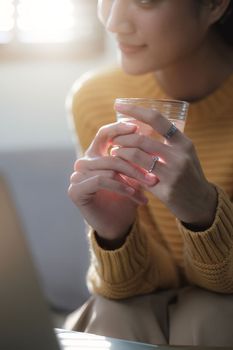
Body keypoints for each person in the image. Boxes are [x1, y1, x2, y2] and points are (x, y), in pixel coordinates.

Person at [65, 0, 233, 346]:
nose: (113, 22)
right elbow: (136, 289)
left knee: (210, 313)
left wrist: (203, 211)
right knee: (116, 312)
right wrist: (115, 235)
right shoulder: (95, 98)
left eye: (144, 1)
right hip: (136, 309)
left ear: (216, 5)